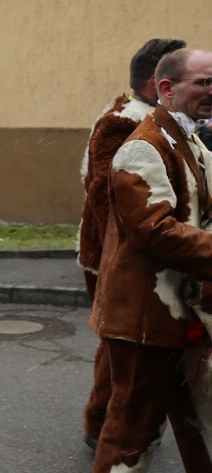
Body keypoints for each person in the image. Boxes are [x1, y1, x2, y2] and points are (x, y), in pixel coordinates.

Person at [84, 47, 212, 473]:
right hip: (143, 316)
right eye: (204, 82)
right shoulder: (142, 146)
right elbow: (155, 232)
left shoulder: (188, 138)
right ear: (166, 88)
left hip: (180, 309)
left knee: (199, 416)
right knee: (133, 423)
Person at [77, 38, 186, 451]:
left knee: (127, 346)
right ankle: (107, 424)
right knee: (124, 346)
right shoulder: (126, 120)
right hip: (118, 258)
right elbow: (107, 201)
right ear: (156, 83)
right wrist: (126, 261)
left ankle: (115, 422)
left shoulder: (151, 116)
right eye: (179, 78)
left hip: (130, 256)